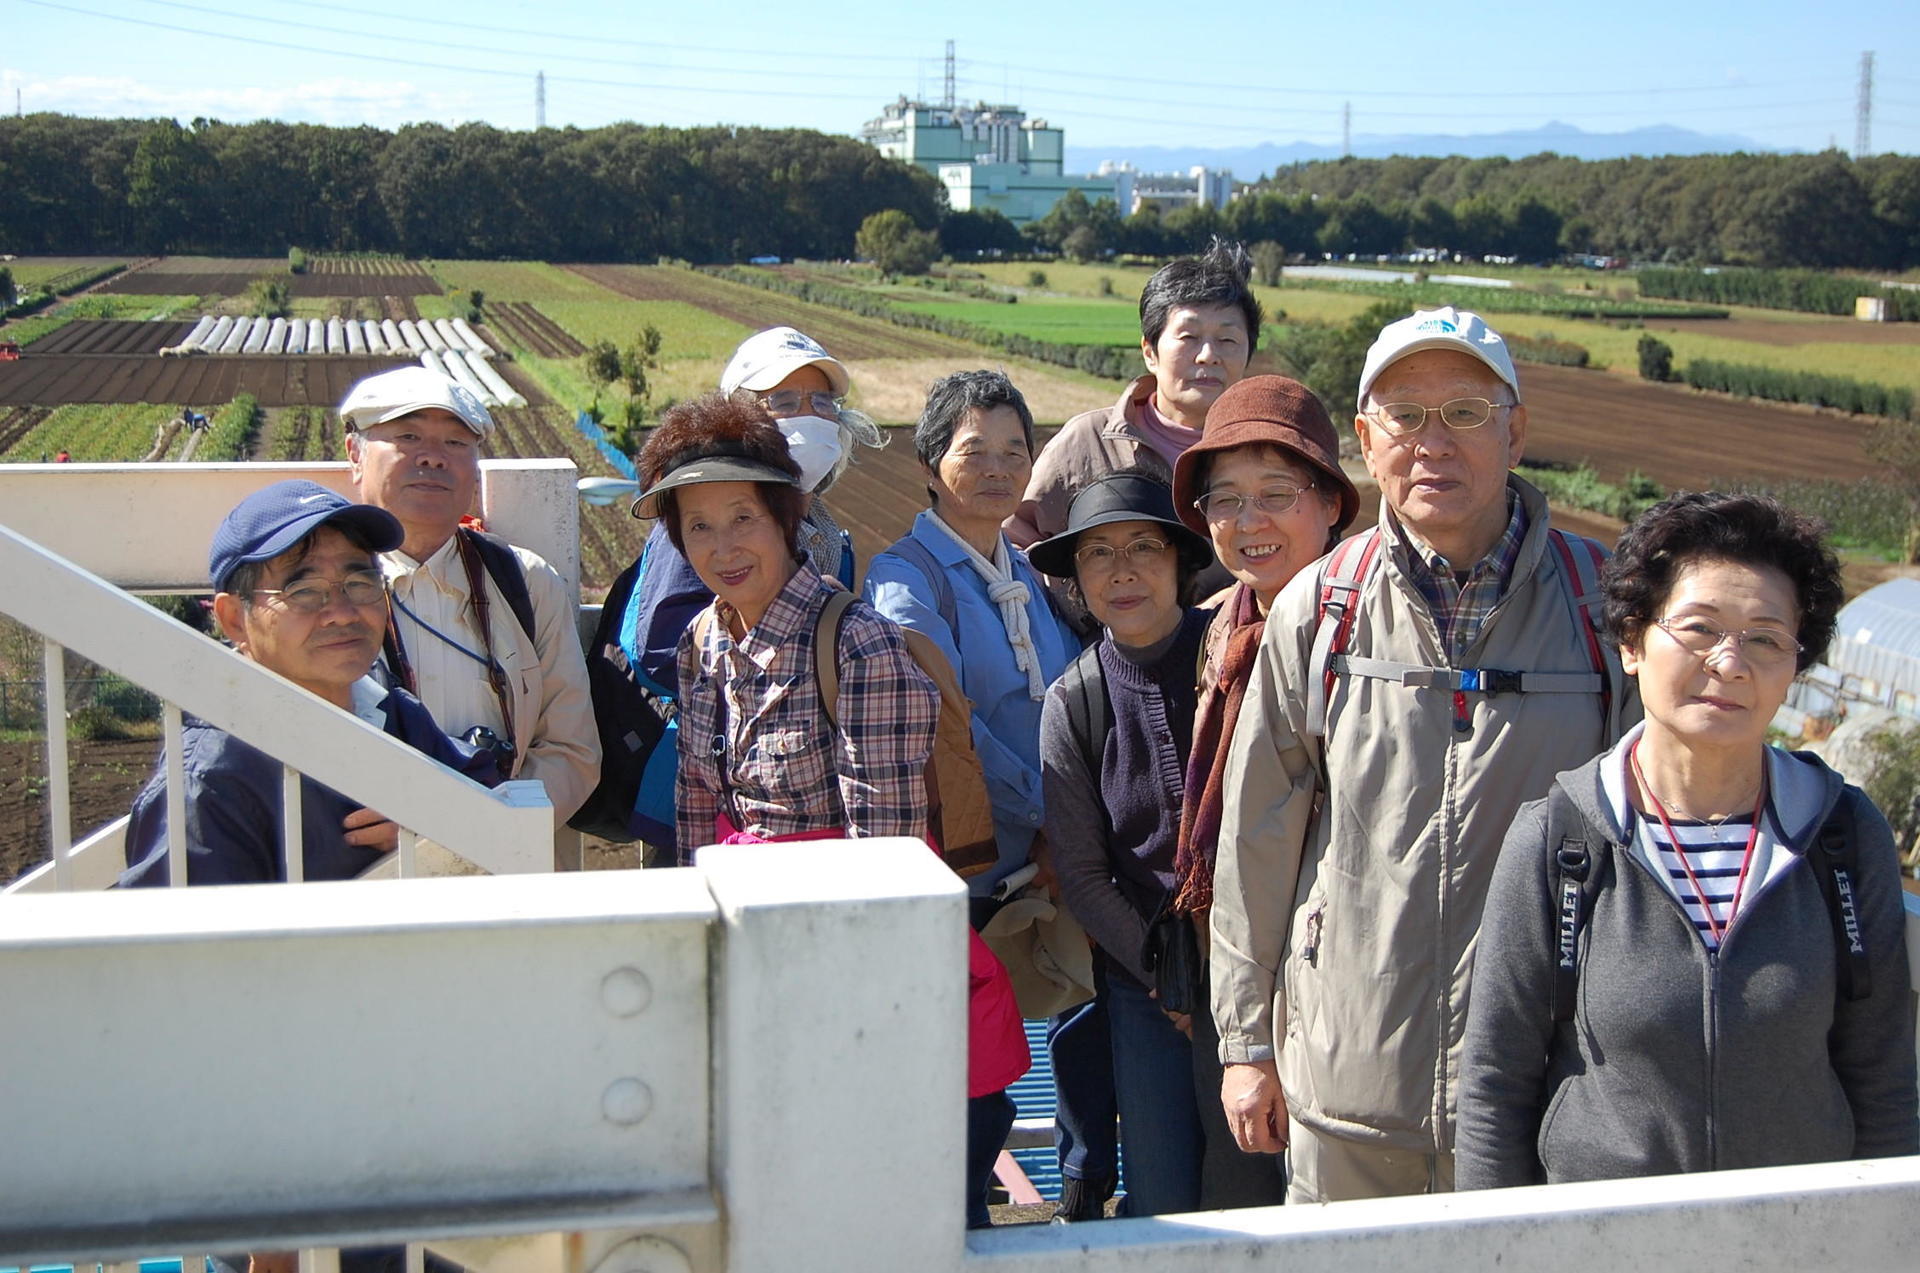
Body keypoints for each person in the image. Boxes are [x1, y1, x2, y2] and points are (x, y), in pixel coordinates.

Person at [1209, 306, 1637, 1203]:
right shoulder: (1319, 608)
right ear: (1367, 439)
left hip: (1544, 1085)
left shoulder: (1605, 610)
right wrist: (1246, 1043)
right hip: (1348, 1083)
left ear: (1515, 431)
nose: (1431, 442)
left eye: (1466, 413)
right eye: (1405, 415)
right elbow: (1256, 841)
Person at [632, 394, 1026, 1228]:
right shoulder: (704, 643)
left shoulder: (857, 644)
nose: (722, 546)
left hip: (858, 991)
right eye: (696, 527)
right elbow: (700, 818)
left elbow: (879, 879)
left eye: (742, 517)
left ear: (787, 514)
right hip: (758, 964)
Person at [1457, 492, 1917, 1188]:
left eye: (1766, 638)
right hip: (1603, 1245)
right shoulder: (1561, 841)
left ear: (1795, 667)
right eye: (1700, 628)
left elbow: (1882, 1078)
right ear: (1633, 641)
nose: (1730, 663)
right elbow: (1495, 1086)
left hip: (1797, 1246)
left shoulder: (1843, 837)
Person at [1164, 373, 1359, 1207]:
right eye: (1226, 499)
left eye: (1275, 494)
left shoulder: (1367, 632)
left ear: (1330, 503)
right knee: (1237, 1196)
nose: (1249, 523)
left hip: (1339, 981)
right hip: (1238, 964)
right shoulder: (1226, 621)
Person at [121, 480, 499, 886]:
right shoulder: (208, 782)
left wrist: (442, 820)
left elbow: (490, 795)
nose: (341, 612)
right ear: (234, 619)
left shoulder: (386, 707)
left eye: (359, 583)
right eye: (303, 591)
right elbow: (180, 945)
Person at [1032, 472, 1220, 1217]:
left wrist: (1229, 966)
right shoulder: (1073, 701)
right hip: (1145, 988)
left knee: (1263, 1186)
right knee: (1166, 1195)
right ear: (1077, 579)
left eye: (1144, 546)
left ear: (1179, 560)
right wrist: (1168, 980)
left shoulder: (1238, 659)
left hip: (1265, 975)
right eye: (1098, 554)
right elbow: (1082, 874)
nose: (1123, 570)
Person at [340, 366, 598, 852]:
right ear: (355, 454)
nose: (433, 459)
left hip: (497, 875)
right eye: (408, 436)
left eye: (456, 443)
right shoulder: (319, 593)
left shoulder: (525, 582)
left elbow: (572, 753)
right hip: (362, 879)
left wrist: (472, 822)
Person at [864, 370, 1082, 899]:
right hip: (972, 871)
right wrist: (1045, 815)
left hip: (1054, 859)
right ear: (929, 467)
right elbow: (947, 723)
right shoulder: (905, 581)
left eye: (1014, 453)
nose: (997, 470)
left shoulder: (1028, 575)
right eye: (974, 452)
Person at [1008, 238, 1258, 604]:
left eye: (1228, 339)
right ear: (1150, 352)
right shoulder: (1089, 442)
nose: (1208, 355)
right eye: (1189, 337)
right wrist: (1076, 614)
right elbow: (1015, 541)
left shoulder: (1267, 452)